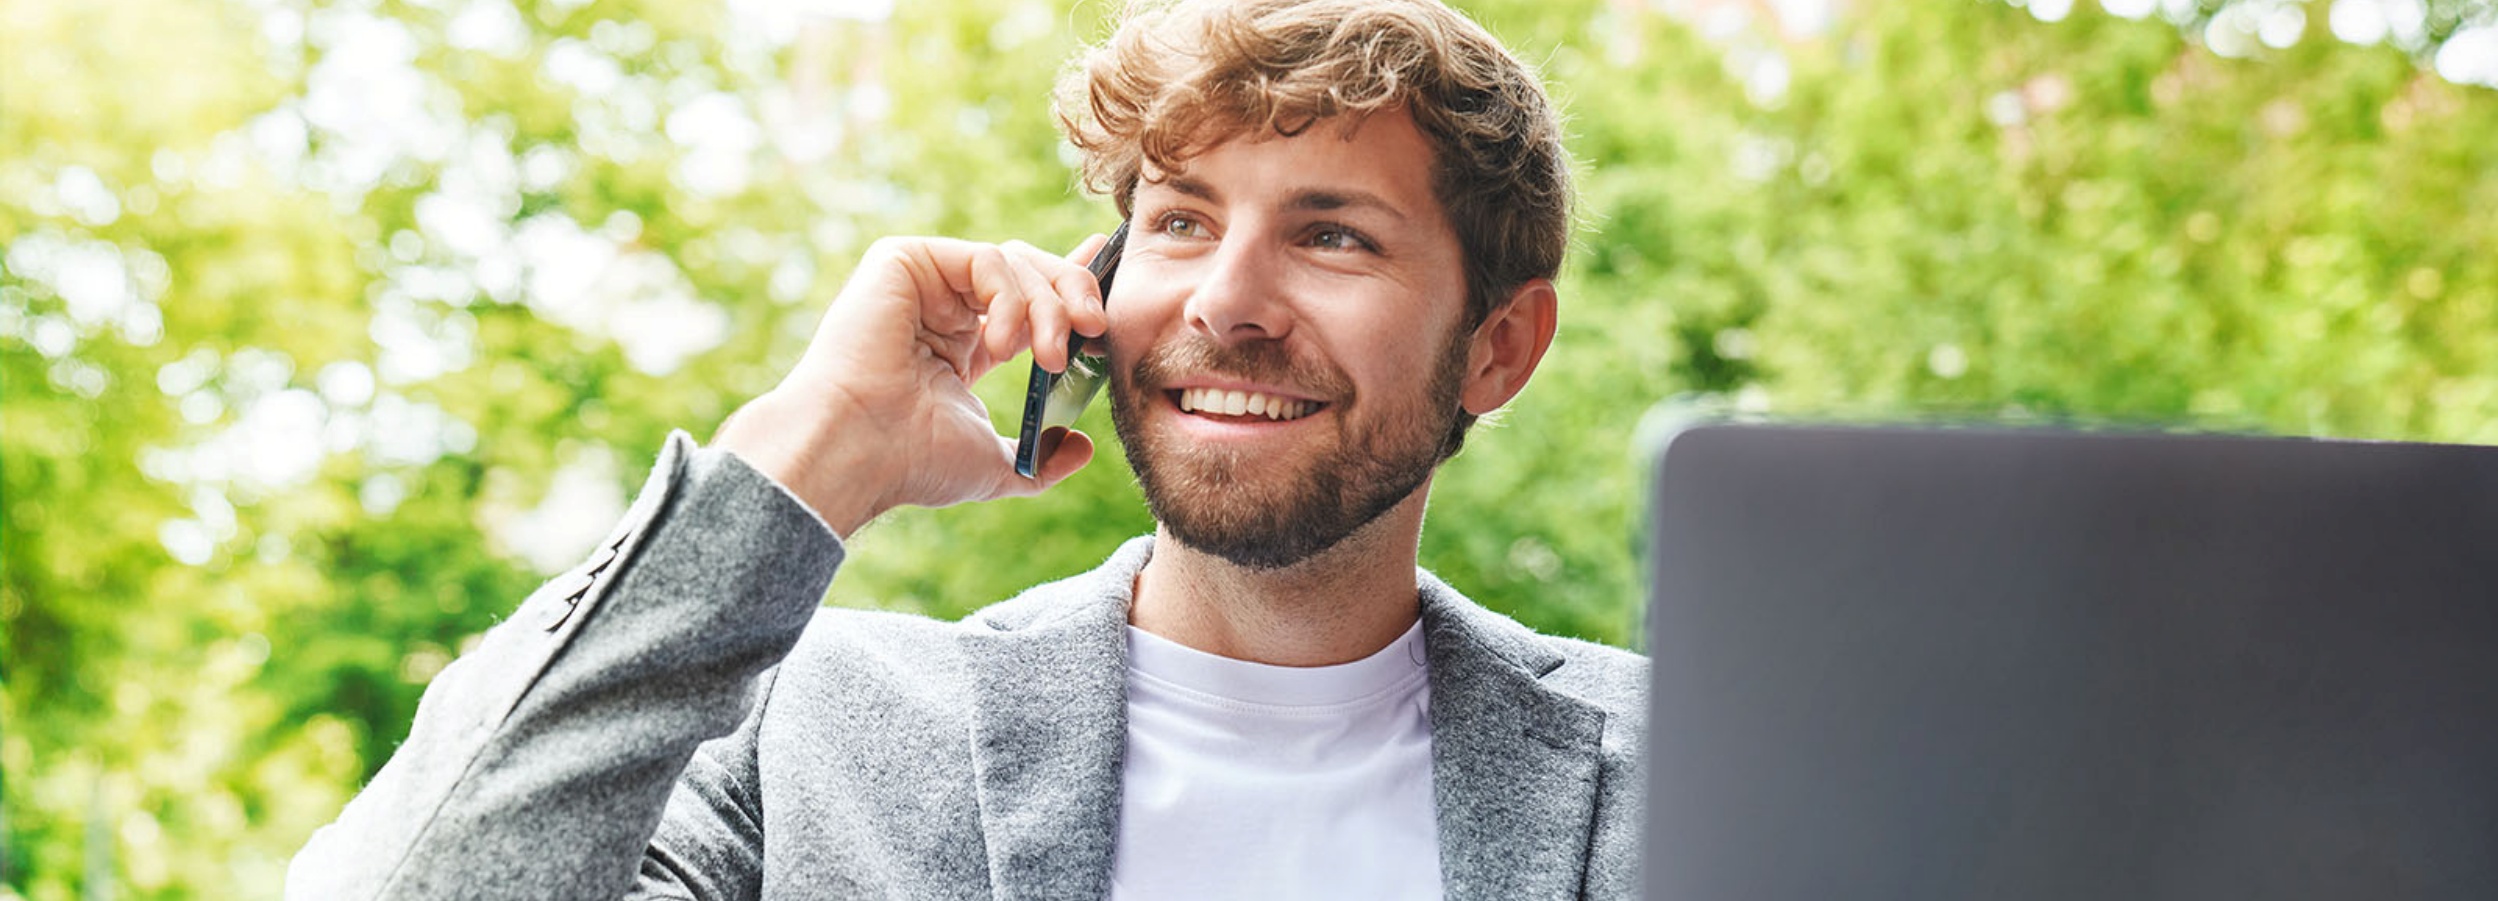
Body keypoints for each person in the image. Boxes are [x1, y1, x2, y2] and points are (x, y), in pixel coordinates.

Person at [288, 0, 1644, 897]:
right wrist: (812, 452)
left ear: (1498, 346)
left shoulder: (1683, 768)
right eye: (1178, 220)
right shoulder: (818, 725)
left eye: (1331, 232)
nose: (1224, 301)